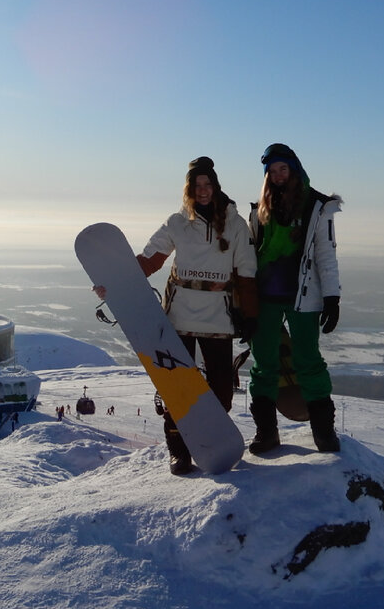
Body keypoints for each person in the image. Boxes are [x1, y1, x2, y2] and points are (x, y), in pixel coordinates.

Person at [125, 156, 257, 474]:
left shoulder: (235, 223)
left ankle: (208, 439)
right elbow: (150, 260)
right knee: (176, 386)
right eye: (197, 185)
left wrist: (251, 315)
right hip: (180, 314)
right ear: (190, 188)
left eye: (207, 184)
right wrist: (116, 281)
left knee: (223, 389)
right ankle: (178, 451)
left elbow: (247, 271)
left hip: (218, 316)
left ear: (215, 185)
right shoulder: (177, 222)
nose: (203, 190)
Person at [246, 143, 343, 454]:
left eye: (282, 169)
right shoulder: (259, 210)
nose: (277, 176)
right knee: (264, 365)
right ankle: (266, 433)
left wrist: (332, 297)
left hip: (304, 297)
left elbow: (326, 255)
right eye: (272, 171)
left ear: (295, 169)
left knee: (308, 361)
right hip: (265, 297)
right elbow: (249, 257)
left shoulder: (317, 206)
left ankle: (324, 433)